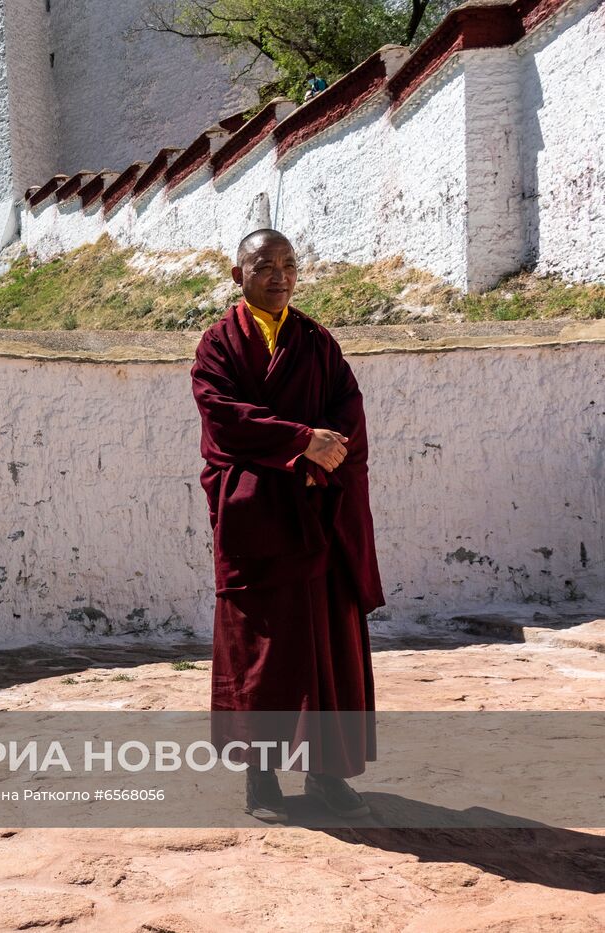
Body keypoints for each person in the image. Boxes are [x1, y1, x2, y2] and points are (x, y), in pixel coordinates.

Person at [190, 228, 382, 823]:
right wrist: (300, 444)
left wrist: (325, 457)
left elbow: (348, 409)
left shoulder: (317, 342)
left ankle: (327, 776)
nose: (279, 275)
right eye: (264, 264)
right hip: (259, 520)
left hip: (317, 514)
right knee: (262, 650)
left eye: (288, 264)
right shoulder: (218, 345)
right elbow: (225, 420)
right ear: (236, 273)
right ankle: (261, 778)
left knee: (327, 646)